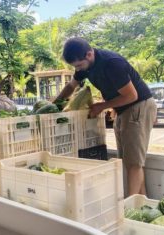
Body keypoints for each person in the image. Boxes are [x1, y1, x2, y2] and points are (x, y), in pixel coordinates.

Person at [54, 37, 157, 195]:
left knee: (134, 163)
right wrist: (55, 105)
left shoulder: (111, 63)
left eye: (79, 65)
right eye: (75, 67)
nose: (78, 69)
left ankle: (130, 207)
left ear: (89, 54)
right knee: (129, 161)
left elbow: (132, 96)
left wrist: (102, 106)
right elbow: (71, 86)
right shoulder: (84, 66)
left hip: (138, 106)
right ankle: (141, 202)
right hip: (123, 109)